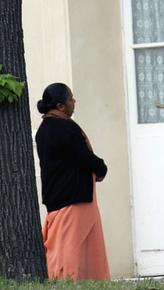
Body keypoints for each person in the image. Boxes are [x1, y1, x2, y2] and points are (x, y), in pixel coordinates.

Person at [35, 82, 110, 280]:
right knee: (72, 248)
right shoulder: (65, 127)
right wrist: (101, 167)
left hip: (56, 198)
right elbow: (83, 156)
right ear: (60, 106)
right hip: (74, 198)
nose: (74, 101)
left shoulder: (43, 130)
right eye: (70, 98)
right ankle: (73, 282)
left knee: (61, 247)